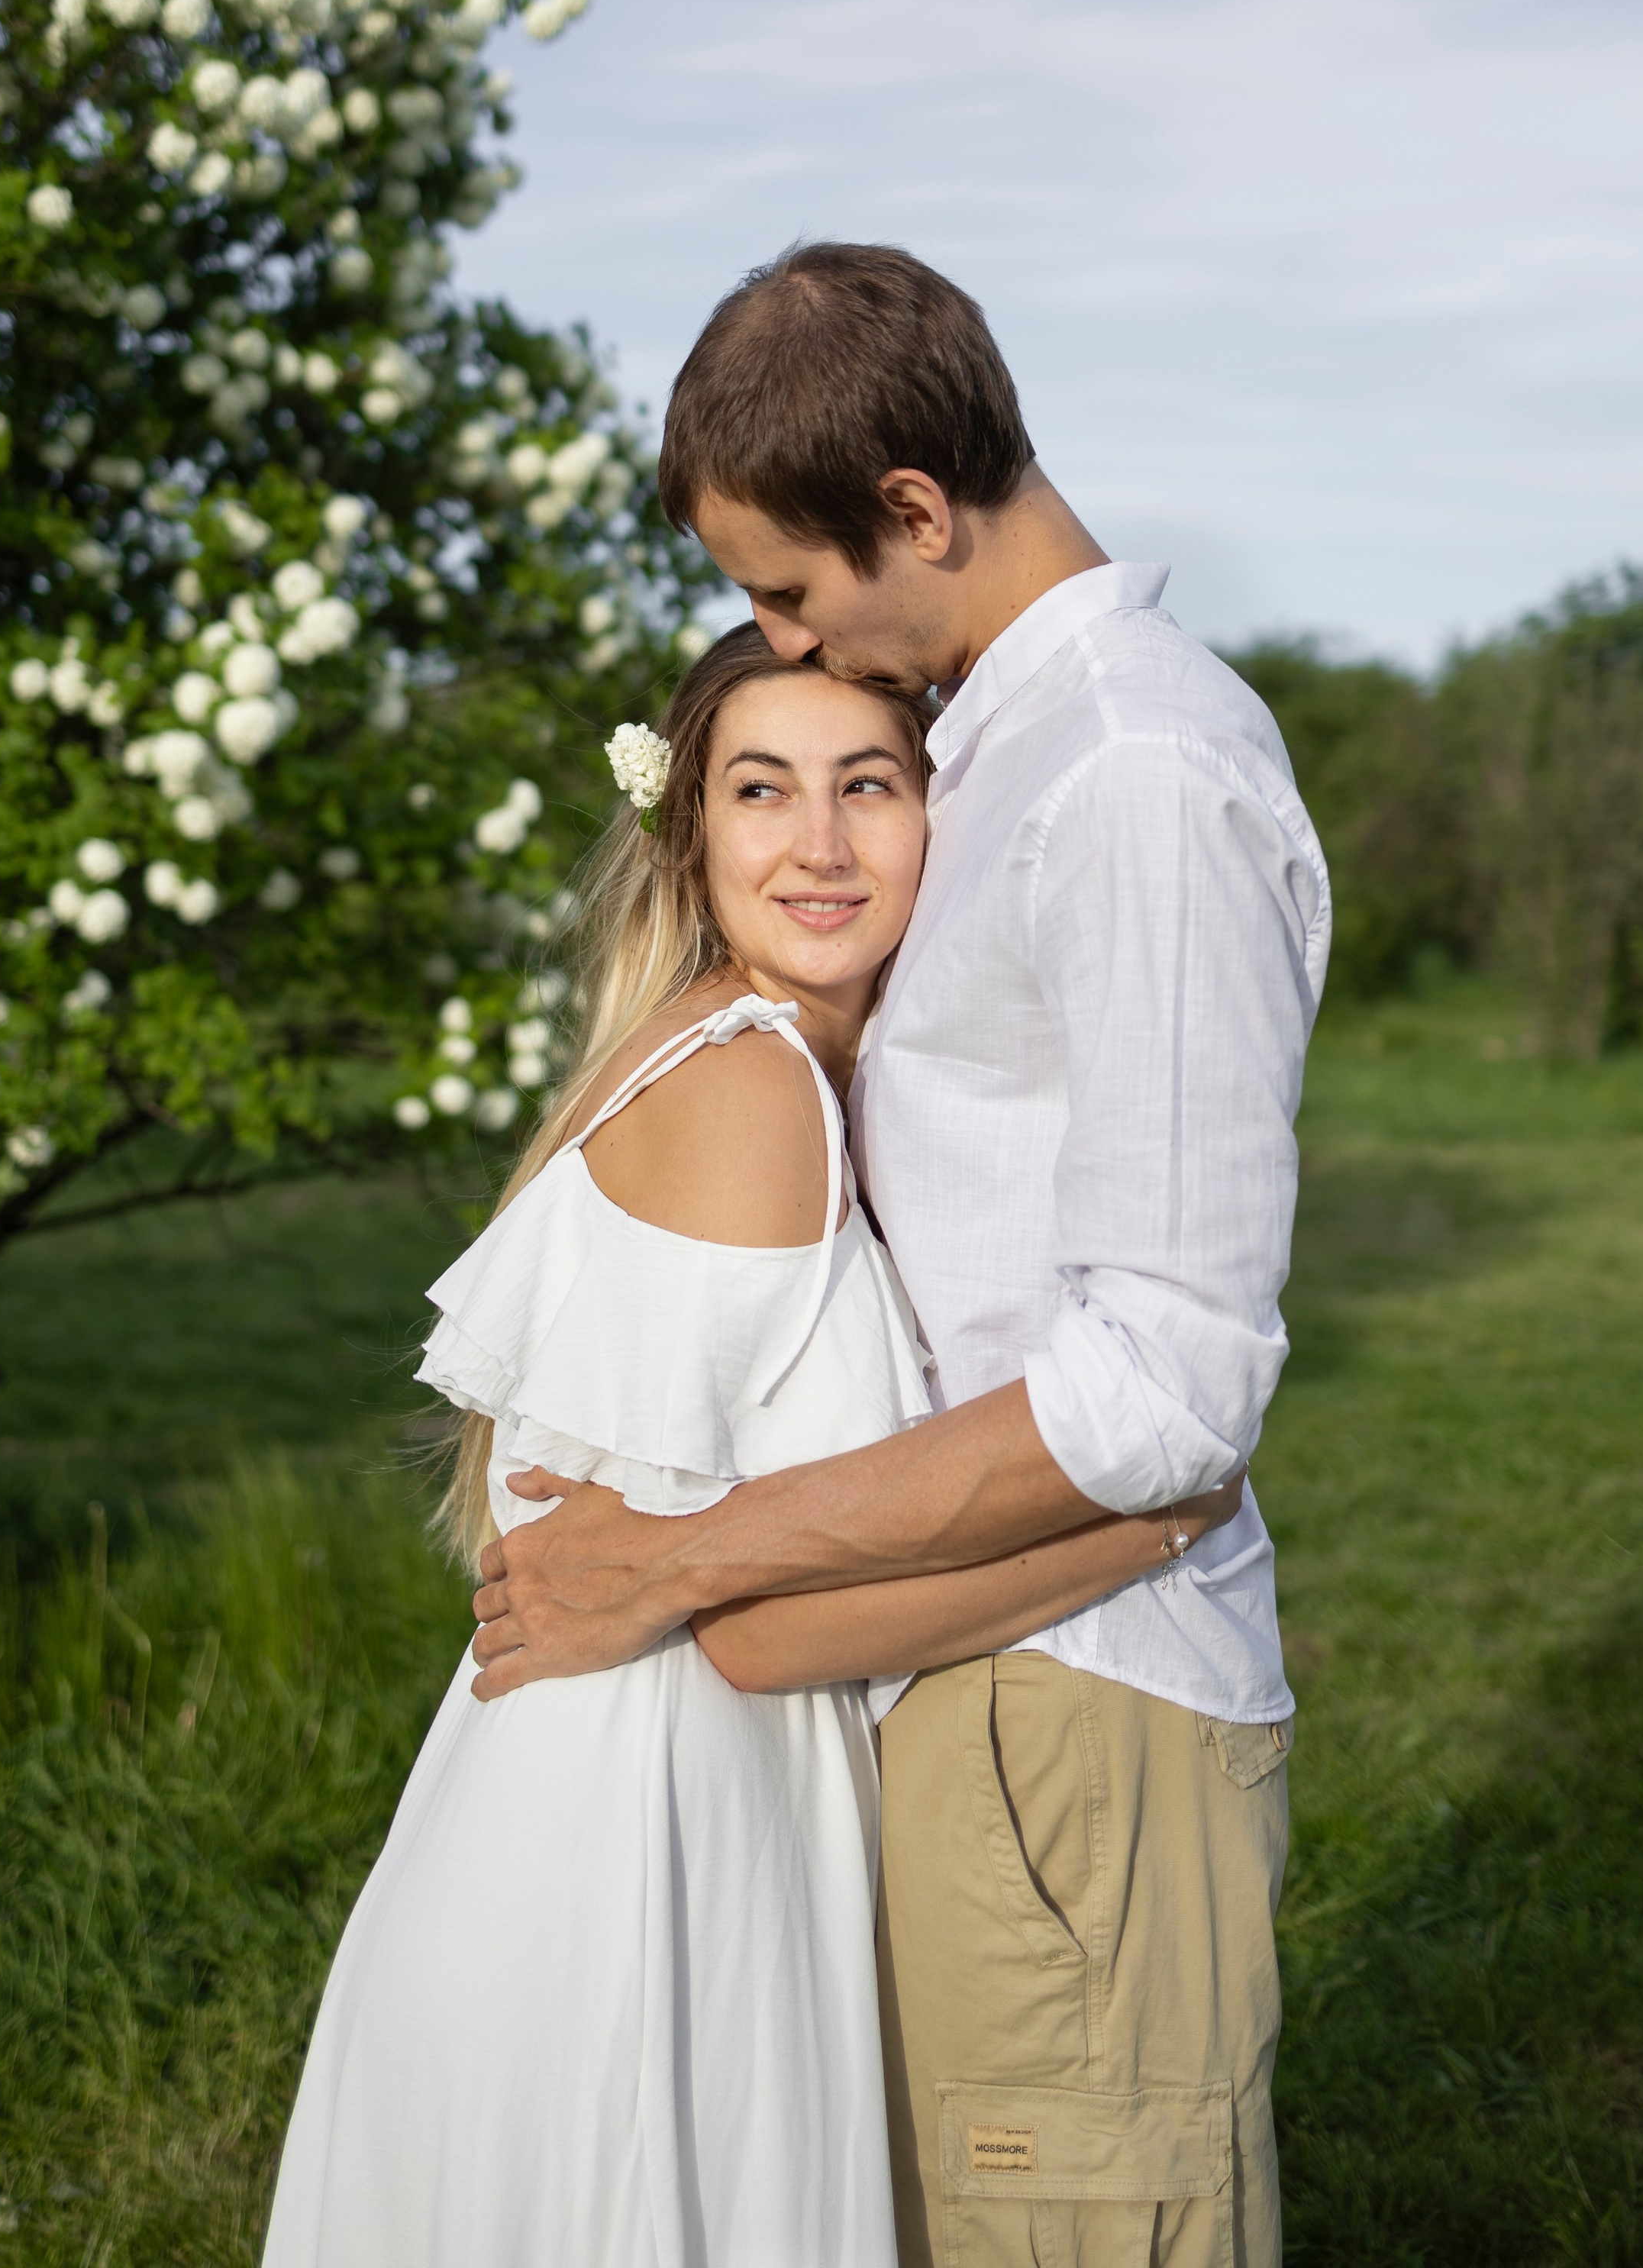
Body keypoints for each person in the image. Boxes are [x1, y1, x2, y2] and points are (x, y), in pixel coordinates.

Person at [470, 244, 1332, 2268]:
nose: (783, 635)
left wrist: (693, 1560)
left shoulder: (1129, 769)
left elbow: (1166, 1389)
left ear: (917, 514)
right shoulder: (1022, 744)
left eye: (790, 590)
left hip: (1070, 1718)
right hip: (964, 1670)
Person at [263, 621, 1244, 2268]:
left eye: (869, 785)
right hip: (637, 1866)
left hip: (616, 1814)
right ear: (690, 832)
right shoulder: (751, 1098)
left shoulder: (743, 1051)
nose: (819, 845)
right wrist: (1133, 1523)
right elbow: (751, 1628)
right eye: (760, 791)